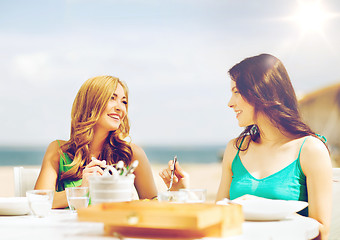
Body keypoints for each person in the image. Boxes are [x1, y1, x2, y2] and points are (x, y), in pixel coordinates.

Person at [159, 54, 332, 239]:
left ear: (260, 91)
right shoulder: (235, 149)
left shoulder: (310, 150)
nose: (230, 103)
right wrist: (184, 192)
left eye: (236, 92)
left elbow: (321, 230)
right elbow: (218, 219)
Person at [35, 75, 157, 208]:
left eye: (124, 102)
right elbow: (39, 201)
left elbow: (152, 203)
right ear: (91, 103)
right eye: (112, 98)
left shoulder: (132, 154)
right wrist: (82, 189)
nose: (120, 108)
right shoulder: (59, 150)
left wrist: (174, 190)